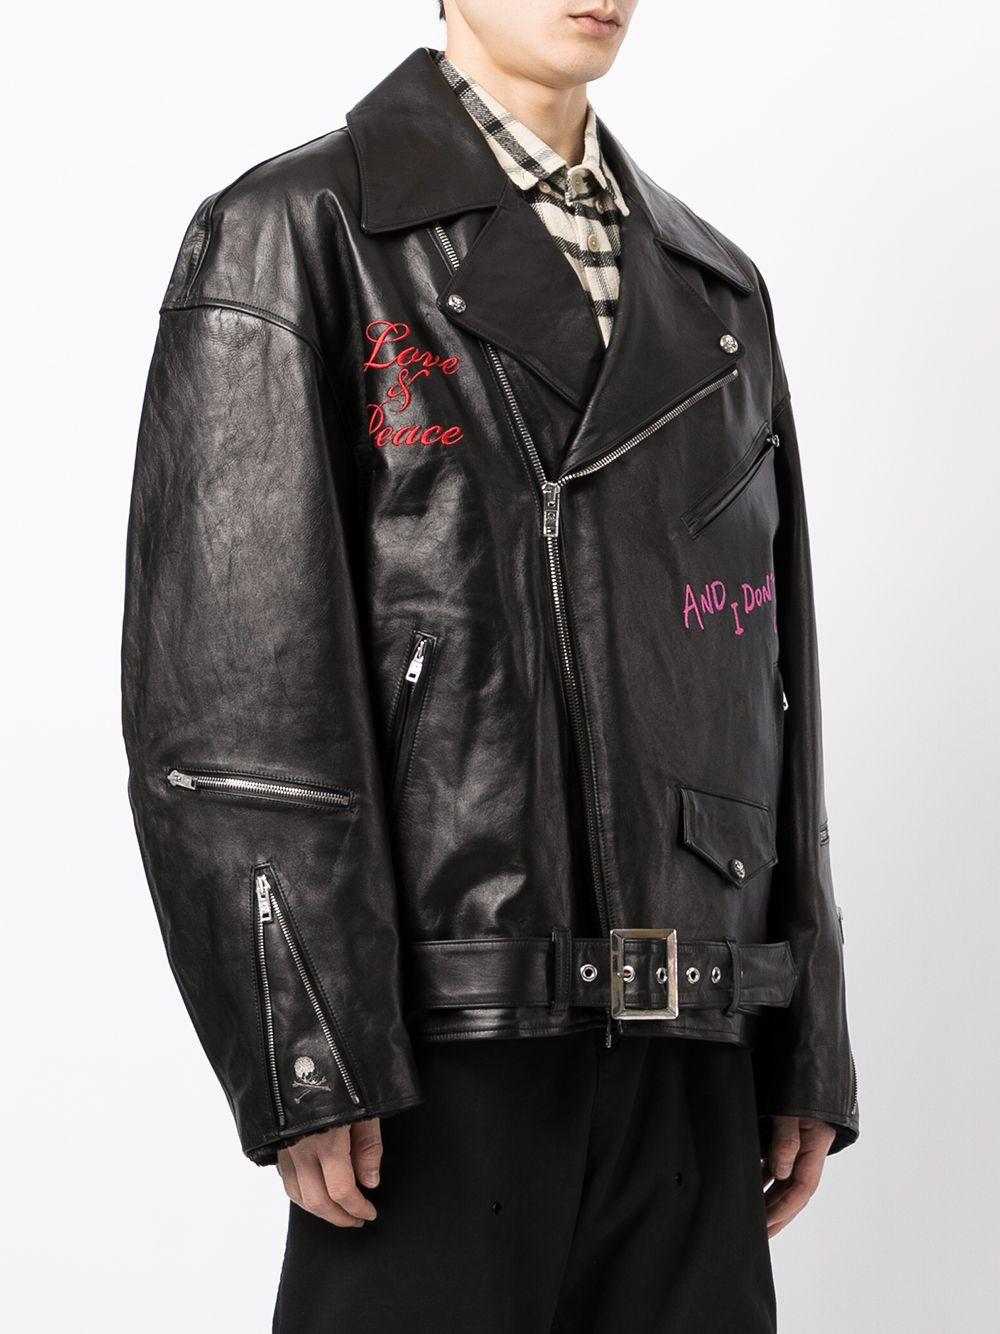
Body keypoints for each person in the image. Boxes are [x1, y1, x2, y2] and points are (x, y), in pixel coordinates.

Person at [121, 2, 858, 1329]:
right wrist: (308, 1044)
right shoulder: (301, 234)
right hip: (435, 1049)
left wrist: (806, 1027)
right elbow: (228, 693)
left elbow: (765, 676)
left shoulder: (717, 290)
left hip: (694, 1056)